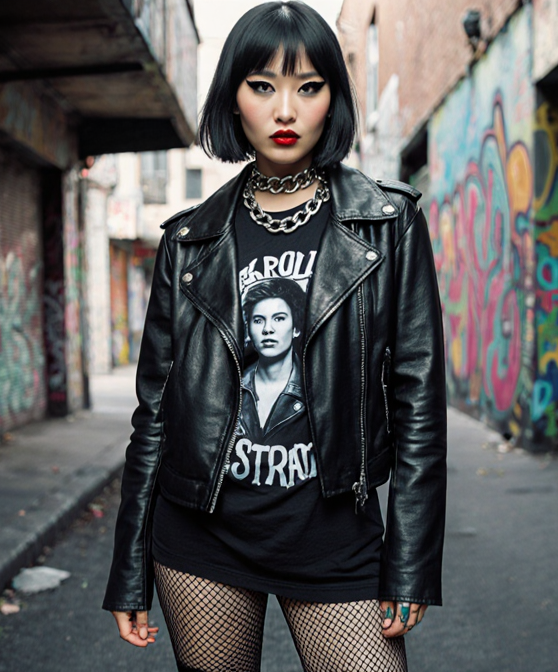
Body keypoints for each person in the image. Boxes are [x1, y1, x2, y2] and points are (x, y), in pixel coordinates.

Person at [103, 2, 447, 670]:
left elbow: (418, 403)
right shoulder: (189, 241)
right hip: (202, 539)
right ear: (233, 97)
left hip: (334, 536)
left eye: (308, 87)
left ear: (332, 100)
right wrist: (129, 563)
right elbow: (155, 415)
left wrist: (411, 559)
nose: (285, 110)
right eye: (263, 86)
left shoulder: (385, 223)